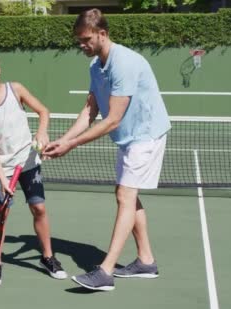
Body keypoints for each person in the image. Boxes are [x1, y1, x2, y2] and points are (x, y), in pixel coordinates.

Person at [42, 9, 171, 291]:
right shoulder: (95, 66)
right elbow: (90, 109)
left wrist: (71, 145)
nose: (81, 45)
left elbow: (112, 119)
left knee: (126, 194)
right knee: (125, 194)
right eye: (78, 41)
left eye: (86, 39)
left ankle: (105, 271)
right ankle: (146, 261)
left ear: (102, 33)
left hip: (145, 135)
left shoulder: (123, 63)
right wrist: (63, 139)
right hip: (128, 138)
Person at [0, 51, 67, 286]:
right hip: (2, 168)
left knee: (39, 208)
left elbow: (43, 111)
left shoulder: (16, 89)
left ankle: (48, 257)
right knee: (0, 216)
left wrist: (41, 132)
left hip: (29, 162)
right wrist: (2, 178)